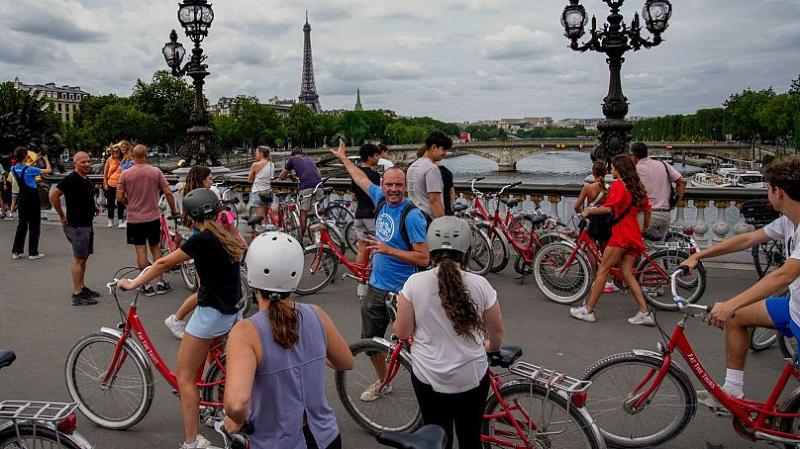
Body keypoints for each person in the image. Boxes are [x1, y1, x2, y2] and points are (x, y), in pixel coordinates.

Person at [117, 188, 243, 449]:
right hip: (232, 310)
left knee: (184, 378)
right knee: (219, 364)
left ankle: (192, 441)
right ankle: (217, 411)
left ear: (190, 216)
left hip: (211, 314)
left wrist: (134, 283)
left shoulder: (202, 239)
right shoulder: (226, 231)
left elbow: (163, 264)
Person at [683, 156, 800, 403]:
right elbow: (747, 239)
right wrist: (699, 255)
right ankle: (733, 391)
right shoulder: (790, 220)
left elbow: (784, 274)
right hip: (794, 309)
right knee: (737, 319)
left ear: (778, 192)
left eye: (768, 188)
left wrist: (730, 304)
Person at [223, 231, 354, 449]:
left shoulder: (246, 332)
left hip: (276, 442)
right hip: (327, 437)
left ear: (252, 274)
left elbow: (236, 404)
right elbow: (346, 361)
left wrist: (235, 421)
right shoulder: (316, 313)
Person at [329, 140, 430, 402]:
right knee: (370, 342)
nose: (394, 189)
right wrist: (343, 158)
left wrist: (389, 250)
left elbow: (424, 256)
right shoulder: (380, 200)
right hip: (377, 287)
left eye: (398, 185)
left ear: (405, 187)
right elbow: (361, 178)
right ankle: (384, 381)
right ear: (383, 186)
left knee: (415, 344)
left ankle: (428, 387)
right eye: (389, 185)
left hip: (404, 292)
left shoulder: (412, 216)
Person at [393, 216, 504, 449]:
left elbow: (402, 332)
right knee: (471, 438)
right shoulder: (480, 284)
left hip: (429, 377)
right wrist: (490, 348)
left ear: (431, 248)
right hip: (471, 376)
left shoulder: (414, 283)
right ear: (467, 250)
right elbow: (496, 331)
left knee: (437, 436)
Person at [570, 155, 654, 325]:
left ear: (620, 169)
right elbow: (647, 210)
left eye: (614, 167)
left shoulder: (618, 187)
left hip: (621, 235)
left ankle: (589, 310)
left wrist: (589, 211)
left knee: (602, 271)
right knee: (627, 273)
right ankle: (644, 312)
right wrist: (644, 227)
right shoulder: (637, 187)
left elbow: (608, 208)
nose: (612, 170)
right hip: (634, 235)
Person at [165, 166, 246, 339]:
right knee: (204, 290)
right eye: (209, 178)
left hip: (209, 236)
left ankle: (186, 323)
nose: (212, 181)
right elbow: (162, 263)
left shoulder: (191, 195)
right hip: (209, 238)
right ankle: (178, 319)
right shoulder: (204, 199)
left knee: (206, 289)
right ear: (202, 180)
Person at [117, 144, 178, 296]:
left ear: (133, 155)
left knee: (141, 251)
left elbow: (119, 197)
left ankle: (146, 285)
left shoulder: (126, 173)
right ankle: (160, 282)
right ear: (146, 155)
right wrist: (174, 210)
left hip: (135, 218)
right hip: (152, 217)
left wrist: (129, 203)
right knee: (156, 249)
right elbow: (168, 192)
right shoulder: (155, 171)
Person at [49, 151, 100, 305]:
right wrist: (61, 215)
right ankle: (77, 293)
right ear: (75, 164)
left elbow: (86, 197)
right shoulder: (71, 179)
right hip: (77, 225)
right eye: (83, 162)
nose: (86, 164)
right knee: (78, 258)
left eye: (88, 161)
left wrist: (95, 207)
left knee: (84, 257)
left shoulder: (86, 179)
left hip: (86, 224)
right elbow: (53, 196)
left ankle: (82, 287)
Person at [574, 161, 618, 293]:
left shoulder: (588, 188)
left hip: (591, 219)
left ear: (593, 172)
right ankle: (609, 280)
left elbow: (577, 206)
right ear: (606, 172)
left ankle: (594, 278)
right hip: (605, 219)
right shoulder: (610, 188)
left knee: (591, 249)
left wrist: (582, 214)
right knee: (606, 252)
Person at [631, 142, 686, 239]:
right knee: (658, 249)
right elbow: (682, 181)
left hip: (647, 216)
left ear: (634, 156)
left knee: (643, 249)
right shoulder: (663, 164)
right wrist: (675, 202)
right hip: (665, 215)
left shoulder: (635, 170)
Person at [11, 146, 51, 260]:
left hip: (22, 197)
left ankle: (16, 251)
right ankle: (33, 253)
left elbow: (25, 168)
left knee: (22, 225)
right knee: (34, 224)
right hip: (32, 198)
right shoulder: (30, 170)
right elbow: (48, 170)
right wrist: (46, 159)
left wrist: (36, 160)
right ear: (25, 156)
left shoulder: (13, 169)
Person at [279, 148, 322, 243]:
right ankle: (319, 240)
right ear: (302, 154)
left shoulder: (292, 160)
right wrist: (294, 177)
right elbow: (316, 174)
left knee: (304, 214)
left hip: (306, 188)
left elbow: (281, 177)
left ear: (293, 155)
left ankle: (300, 240)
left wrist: (289, 175)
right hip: (319, 187)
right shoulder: (310, 159)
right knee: (317, 214)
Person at [406, 131, 451, 220]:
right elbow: (434, 200)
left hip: (413, 216)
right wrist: (442, 222)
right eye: (444, 149)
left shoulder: (412, 166)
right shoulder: (431, 168)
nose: (446, 153)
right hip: (428, 220)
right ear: (434, 147)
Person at [352, 143, 382, 266]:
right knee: (376, 247)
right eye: (376, 155)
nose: (378, 158)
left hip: (359, 214)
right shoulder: (374, 175)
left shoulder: (356, 173)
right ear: (369, 158)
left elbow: (353, 196)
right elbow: (377, 196)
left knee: (362, 248)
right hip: (371, 214)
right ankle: (374, 274)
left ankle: (360, 276)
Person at [247, 146, 274, 221]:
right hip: (268, 192)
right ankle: (267, 230)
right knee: (266, 216)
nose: (256, 155)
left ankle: (264, 232)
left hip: (258, 192)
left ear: (261, 154)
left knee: (261, 218)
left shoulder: (255, 165)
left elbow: (249, 180)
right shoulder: (272, 164)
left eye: (257, 153)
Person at [103, 144, 126, 228]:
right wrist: (105, 183)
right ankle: (110, 220)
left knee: (120, 203)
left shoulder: (123, 160)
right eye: (114, 151)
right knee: (110, 203)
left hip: (120, 184)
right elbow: (105, 173)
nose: (115, 153)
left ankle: (120, 220)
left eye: (117, 151)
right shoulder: (109, 160)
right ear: (112, 152)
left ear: (120, 152)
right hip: (111, 183)